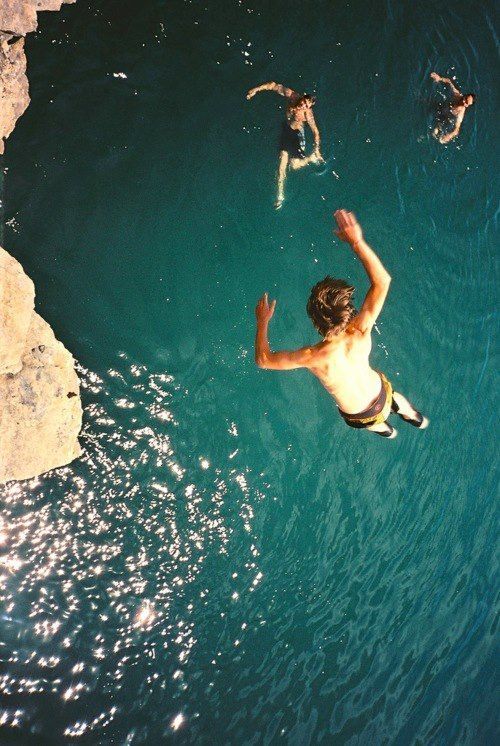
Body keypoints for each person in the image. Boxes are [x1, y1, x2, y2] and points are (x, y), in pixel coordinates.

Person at [254, 209, 428, 438]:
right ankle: (415, 418)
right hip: (382, 396)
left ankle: (388, 432)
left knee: (376, 424)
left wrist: (262, 322)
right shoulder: (360, 330)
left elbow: (263, 360)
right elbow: (382, 281)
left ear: (314, 319)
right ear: (347, 310)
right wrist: (357, 242)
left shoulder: (313, 356)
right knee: (396, 399)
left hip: (360, 415)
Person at [246, 81, 324, 209]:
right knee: (281, 166)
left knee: (293, 166)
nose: (302, 104)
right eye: (303, 101)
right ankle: (280, 195)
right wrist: (256, 89)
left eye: (306, 105)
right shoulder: (293, 96)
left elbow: (315, 132)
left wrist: (317, 149)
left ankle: (311, 158)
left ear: (308, 107)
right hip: (286, 131)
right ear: (302, 97)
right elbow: (274, 86)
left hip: (297, 136)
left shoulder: (307, 115)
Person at [430, 72, 475, 144]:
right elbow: (449, 81)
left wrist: (449, 136)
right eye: (465, 98)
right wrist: (439, 78)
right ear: (465, 95)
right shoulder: (457, 95)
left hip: (445, 118)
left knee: (434, 133)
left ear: (467, 106)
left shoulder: (460, 113)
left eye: (466, 102)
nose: (464, 101)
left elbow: (456, 130)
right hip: (441, 107)